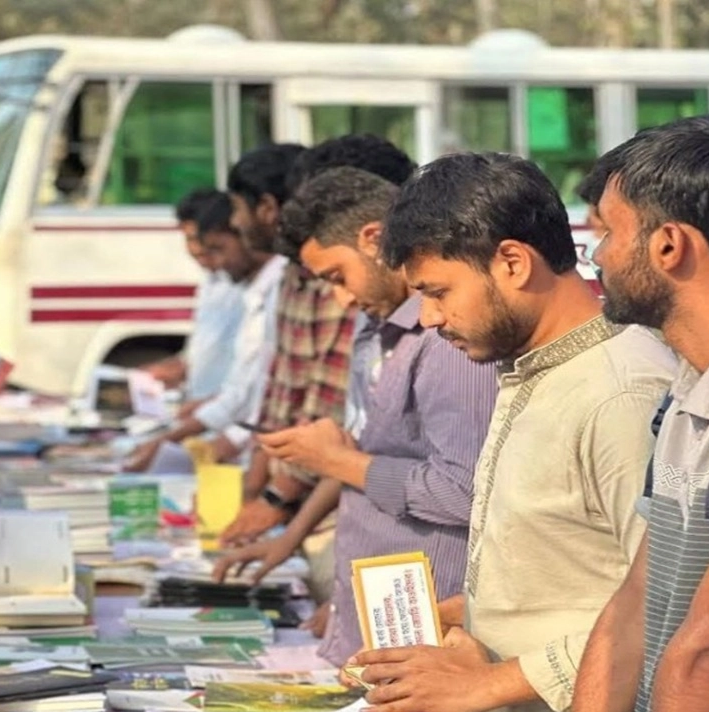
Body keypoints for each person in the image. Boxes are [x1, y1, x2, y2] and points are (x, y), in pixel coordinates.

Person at [347, 152, 675, 712]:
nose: (427, 319)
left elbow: (668, 610)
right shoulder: (533, 368)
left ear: (513, 263)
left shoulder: (619, 393)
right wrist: (463, 622)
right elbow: (563, 575)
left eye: (438, 292)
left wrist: (491, 683)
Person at [212, 166, 497, 664]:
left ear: (373, 239)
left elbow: (467, 491)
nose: (341, 298)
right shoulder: (376, 329)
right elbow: (365, 457)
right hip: (382, 620)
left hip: (430, 625)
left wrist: (335, 460)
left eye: (337, 277)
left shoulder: (447, 340)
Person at [572, 115, 709, 712]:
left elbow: (707, 656)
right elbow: (635, 605)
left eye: (607, 232)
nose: (597, 257)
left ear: (668, 245)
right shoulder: (690, 387)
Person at [219, 135, 419, 616]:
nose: (340, 299)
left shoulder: (430, 331)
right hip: (356, 544)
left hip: (390, 567)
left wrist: (277, 501)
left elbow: (451, 492)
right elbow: (346, 441)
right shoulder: (378, 322)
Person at [123, 144, 300, 471]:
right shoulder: (246, 285)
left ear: (266, 209)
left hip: (261, 452)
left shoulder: (282, 284)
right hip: (241, 441)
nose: (207, 259)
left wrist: (179, 438)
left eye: (215, 248)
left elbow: (258, 397)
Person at [141, 188, 244, 401]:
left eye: (201, 239)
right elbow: (208, 348)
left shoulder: (246, 284)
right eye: (188, 239)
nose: (197, 249)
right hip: (203, 411)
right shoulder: (211, 283)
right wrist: (177, 367)